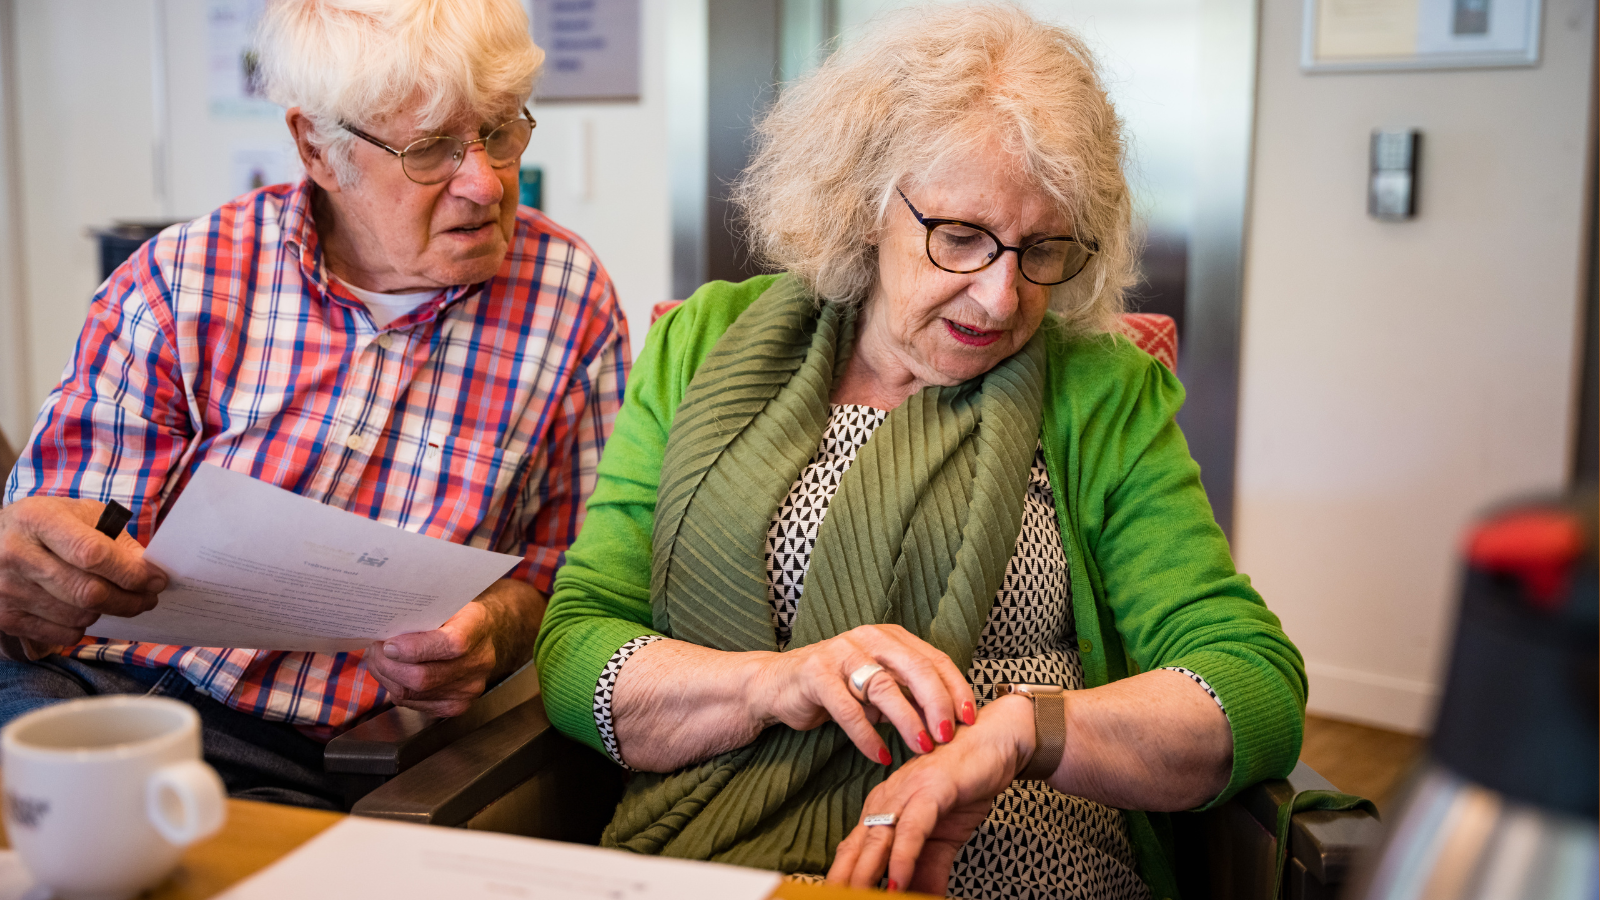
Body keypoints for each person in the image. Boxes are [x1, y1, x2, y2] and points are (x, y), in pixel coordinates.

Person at [535, 5, 1305, 899]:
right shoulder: (700, 346)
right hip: (726, 864)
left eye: (1041, 247)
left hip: (1026, 858)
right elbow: (580, 640)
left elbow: (1250, 681)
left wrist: (1024, 732)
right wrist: (769, 684)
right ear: (867, 202)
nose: (999, 296)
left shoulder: (1100, 391)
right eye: (963, 237)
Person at [0, 0, 628, 810]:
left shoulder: (567, 298)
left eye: (501, 130)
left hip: (302, 753)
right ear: (316, 149)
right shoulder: (183, 278)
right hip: (71, 686)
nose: (483, 183)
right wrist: (38, 572)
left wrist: (495, 631)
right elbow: (54, 548)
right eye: (431, 149)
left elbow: (575, 576)